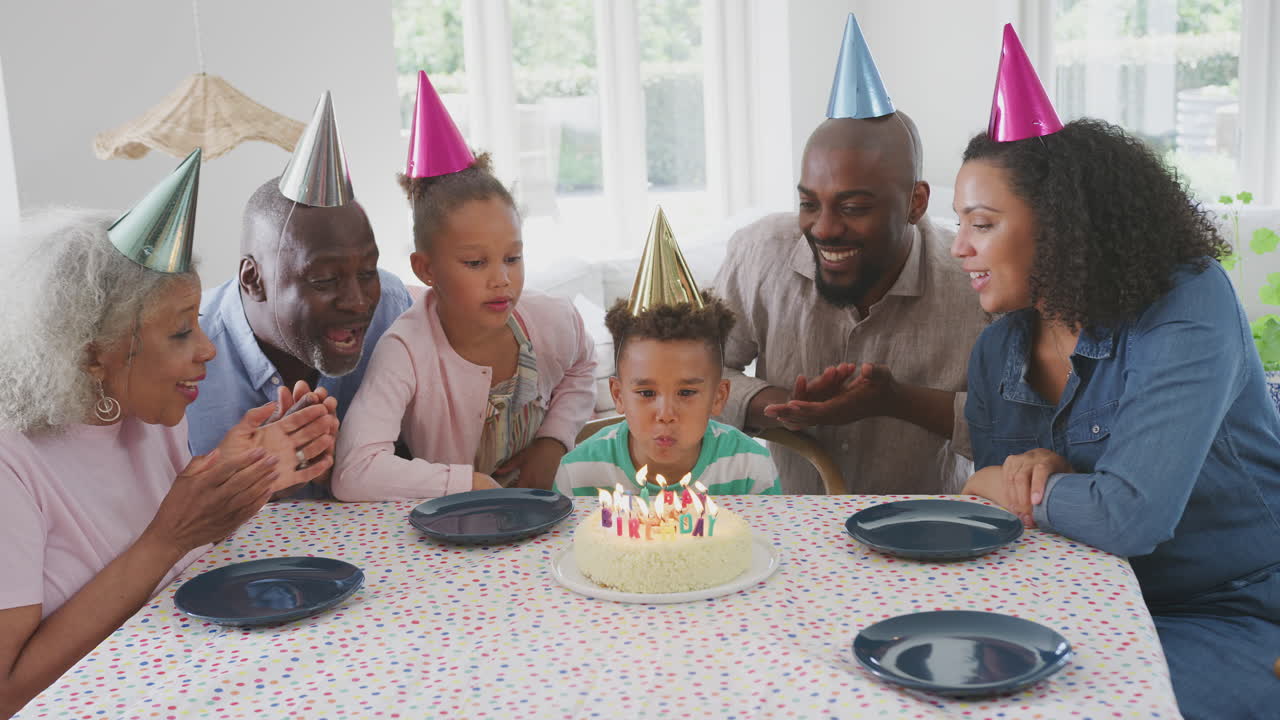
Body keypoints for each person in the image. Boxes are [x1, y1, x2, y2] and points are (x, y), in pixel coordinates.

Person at [954, 25, 1280, 719]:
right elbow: (1011, 526)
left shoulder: (1188, 304)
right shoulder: (995, 352)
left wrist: (1012, 487)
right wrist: (1038, 487)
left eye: (981, 223)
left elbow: (1131, 517)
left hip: (1236, 612)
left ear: (1058, 223)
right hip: (1086, 612)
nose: (958, 247)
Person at [0, 161, 335, 713]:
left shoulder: (152, 416)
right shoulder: (12, 466)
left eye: (199, 321)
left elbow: (179, 577)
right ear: (91, 353)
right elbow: (8, 690)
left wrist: (242, 478)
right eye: (181, 331)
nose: (208, 350)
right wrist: (171, 536)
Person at [331, 71, 595, 500]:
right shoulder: (406, 350)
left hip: (545, 512)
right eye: (475, 262)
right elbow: (354, 471)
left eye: (513, 257)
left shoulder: (552, 319)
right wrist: (467, 484)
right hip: (454, 531)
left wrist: (553, 441)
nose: (502, 279)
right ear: (426, 269)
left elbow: (582, 366)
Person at [186, 93, 412, 472]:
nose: (358, 302)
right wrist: (248, 476)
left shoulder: (391, 307)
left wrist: (355, 459)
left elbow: (419, 451)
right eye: (324, 279)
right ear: (252, 279)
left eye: (367, 272)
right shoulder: (188, 348)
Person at [556, 211, 779, 497]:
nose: (665, 415)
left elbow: (770, 540)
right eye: (647, 393)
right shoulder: (580, 474)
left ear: (719, 397)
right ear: (618, 396)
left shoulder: (749, 467)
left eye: (686, 393)